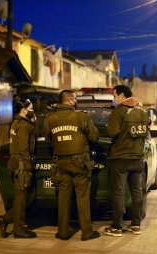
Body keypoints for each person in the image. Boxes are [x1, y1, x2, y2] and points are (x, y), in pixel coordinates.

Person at [43, 90, 100, 241]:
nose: (75, 102)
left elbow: (48, 140)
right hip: (80, 162)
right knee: (82, 197)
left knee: (63, 197)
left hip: (60, 162)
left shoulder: (50, 119)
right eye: (74, 99)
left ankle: (62, 232)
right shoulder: (81, 116)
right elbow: (94, 136)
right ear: (69, 100)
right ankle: (87, 232)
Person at [104, 85, 149, 237]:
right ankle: (136, 225)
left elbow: (112, 132)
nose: (114, 99)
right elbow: (145, 133)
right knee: (137, 192)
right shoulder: (141, 112)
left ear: (122, 95)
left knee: (118, 193)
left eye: (114, 96)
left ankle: (117, 226)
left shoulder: (119, 111)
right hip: (137, 159)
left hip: (120, 159)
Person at [0, 99, 37, 238]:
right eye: (31, 108)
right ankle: (18, 229)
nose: (33, 110)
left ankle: (6, 219)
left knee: (24, 195)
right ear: (24, 110)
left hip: (14, 162)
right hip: (21, 164)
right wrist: (28, 166)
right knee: (21, 197)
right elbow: (25, 148)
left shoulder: (15, 122)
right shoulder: (24, 125)